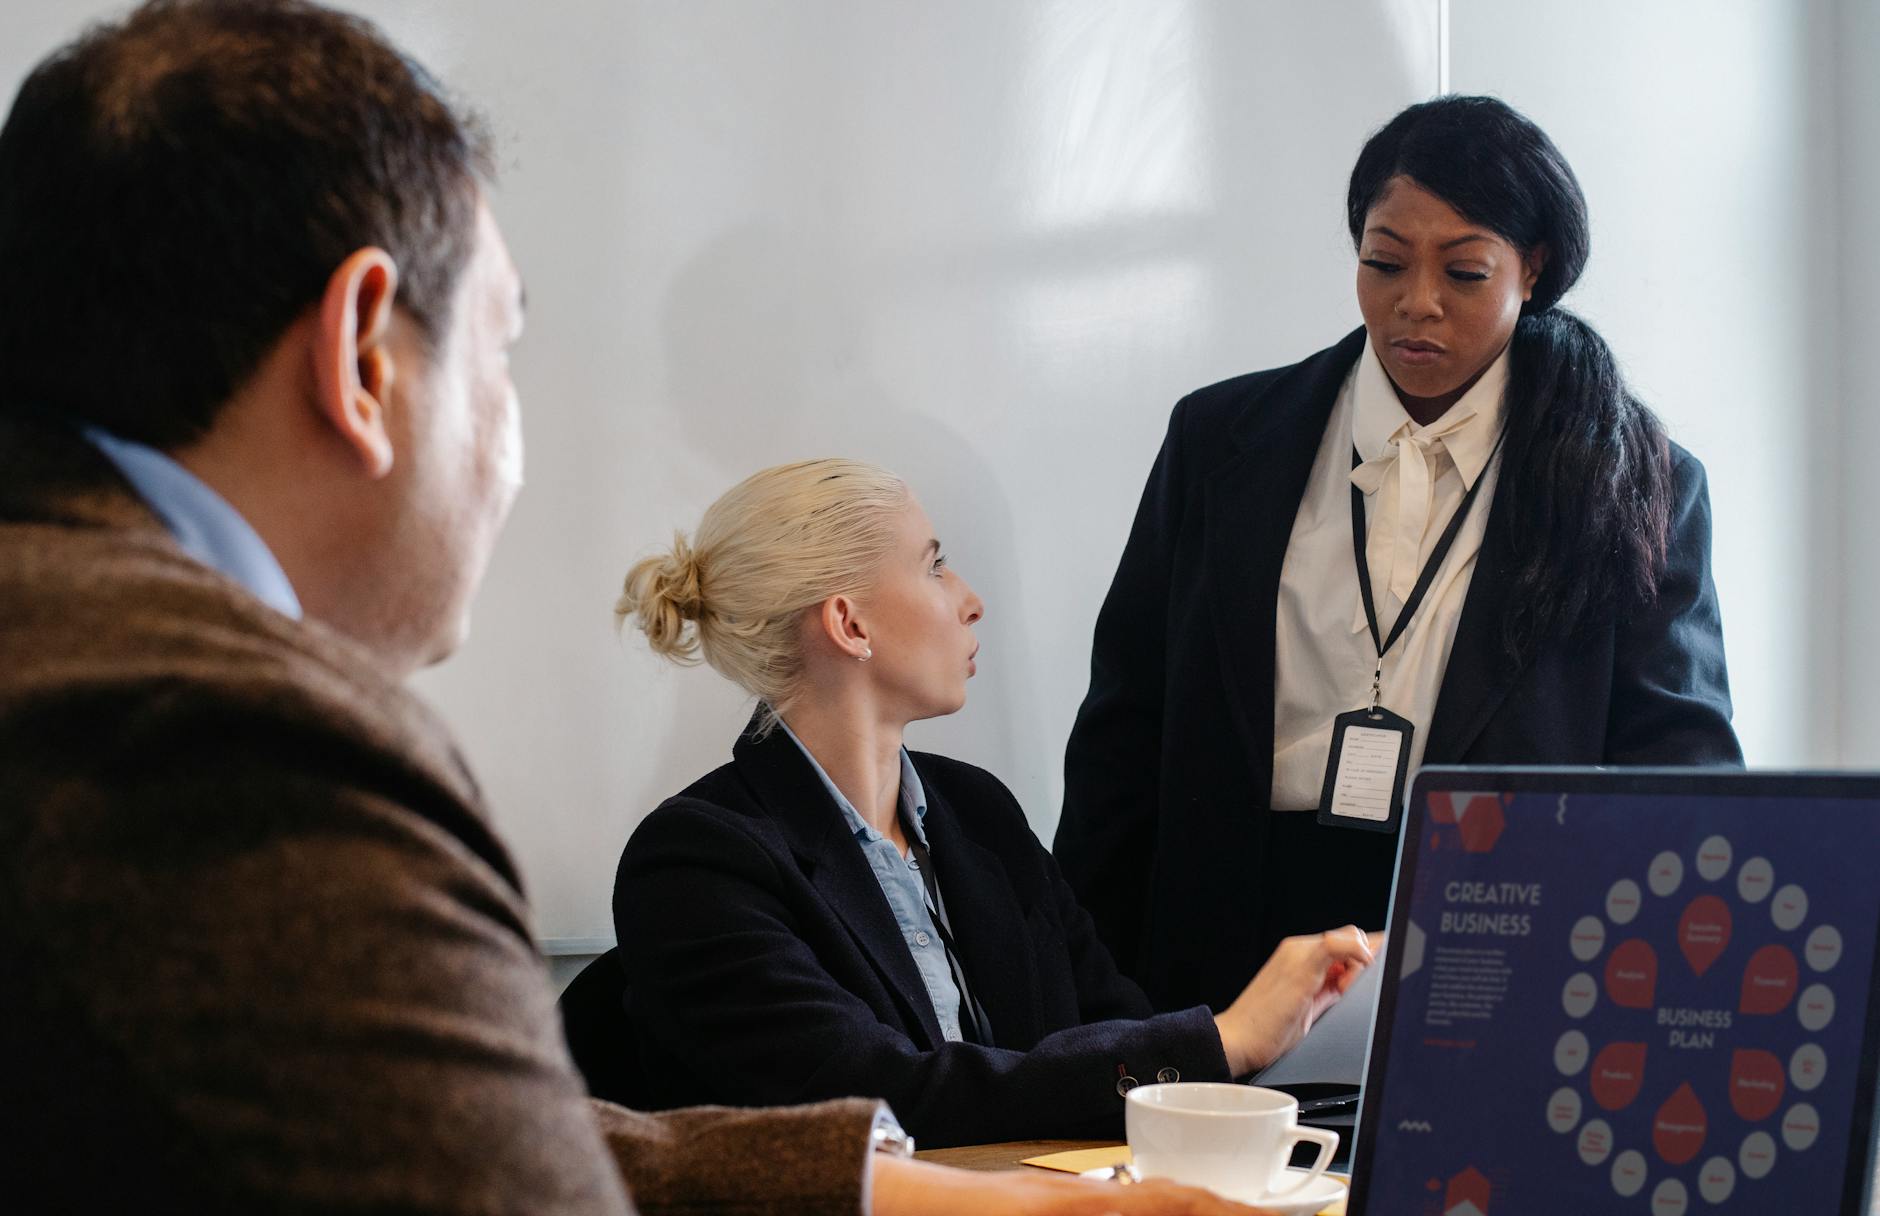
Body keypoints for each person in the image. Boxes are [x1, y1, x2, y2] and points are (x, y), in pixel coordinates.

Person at [0, 4, 1275, 1213]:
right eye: (501, 349)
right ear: (361, 353)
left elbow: (515, 1129)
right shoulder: (222, 741)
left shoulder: (74, 636)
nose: (514, 443)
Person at [1053, 95, 1743, 1017]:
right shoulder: (1221, 439)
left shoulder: (1636, 478)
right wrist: (1080, 987)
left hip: (1500, 937)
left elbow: (1678, 769)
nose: (1416, 304)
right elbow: (1125, 731)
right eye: (1383, 263)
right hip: (1226, 933)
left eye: (1464, 272)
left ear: (1531, 270)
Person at [608, 459, 1375, 1148]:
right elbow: (880, 1106)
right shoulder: (696, 863)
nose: (971, 600)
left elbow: (1112, 1027)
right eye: (935, 567)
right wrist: (1227, 1037)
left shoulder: (978, 813)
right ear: (849, 623)